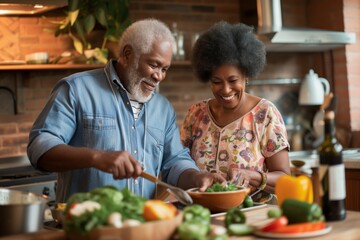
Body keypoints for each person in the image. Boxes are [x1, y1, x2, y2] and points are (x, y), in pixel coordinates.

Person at [27, 18, 225, 203]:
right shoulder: (77, 89)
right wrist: (98, 157)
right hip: (86, 227)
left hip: (142, 225)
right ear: (127, 54)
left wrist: (198, 177)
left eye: (165, 69)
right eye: (154, 65)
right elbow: (40, 148)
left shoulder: (163, 109)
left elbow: (174, 162)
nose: (159, 77)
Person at [180, 21, 291, 195]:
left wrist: (252, 176)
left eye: (233, 81)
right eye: (217, 82)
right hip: (202, 212)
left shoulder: (265, 115)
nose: (225, 90)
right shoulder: (196, 114)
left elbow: (285, 178)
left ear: (246, 75)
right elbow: (177, 164)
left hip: (250, 212)